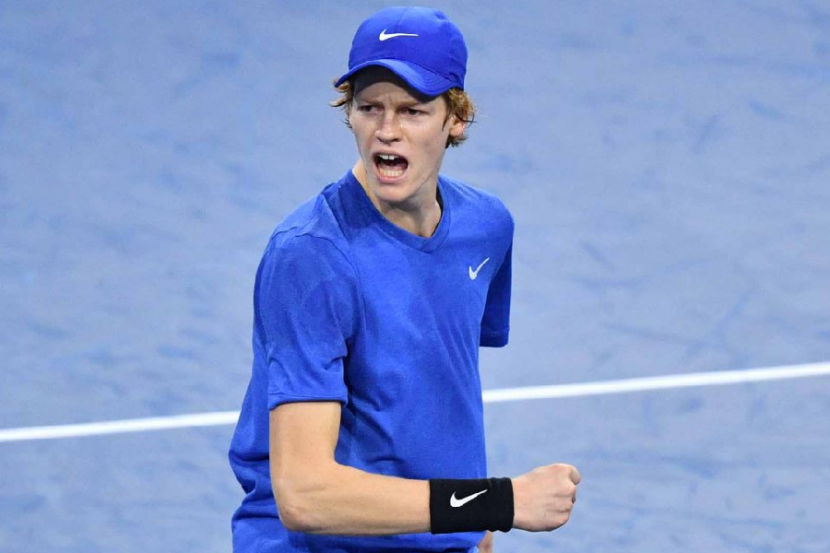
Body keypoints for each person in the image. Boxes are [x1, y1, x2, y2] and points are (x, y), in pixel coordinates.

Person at [228, 6, 580, 552]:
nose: (386, 132)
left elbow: (441, 387)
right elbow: (303, 496)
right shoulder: (311, 256)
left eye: (412, 111)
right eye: (369, 107)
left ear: (455, 119)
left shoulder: (486, 227)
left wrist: (473, 530)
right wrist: (494, 502)